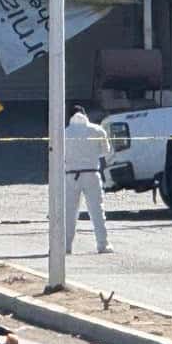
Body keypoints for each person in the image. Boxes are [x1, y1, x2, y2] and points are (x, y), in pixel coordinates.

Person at [64, 105, 113, 254]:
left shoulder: (64, 133)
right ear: (85, 115)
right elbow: (106, 151)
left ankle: (66, 246)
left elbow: (58, 154)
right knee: (97, 211)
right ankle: (102, 245)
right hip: (92, 173)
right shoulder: (97, 130)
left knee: (70, 213)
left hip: (71, 175)